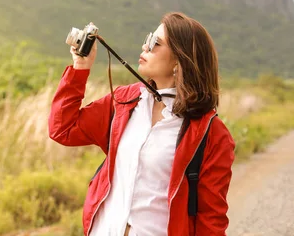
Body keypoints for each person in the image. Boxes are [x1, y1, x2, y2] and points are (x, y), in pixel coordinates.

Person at [48, 12, 235, 236]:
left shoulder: (211, 134)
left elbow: (211, 220)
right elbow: (62, 129)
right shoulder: (125, 101)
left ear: (179, 59)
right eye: (148, 39)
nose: (145, 47)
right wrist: (80, 67)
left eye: (155, 43)